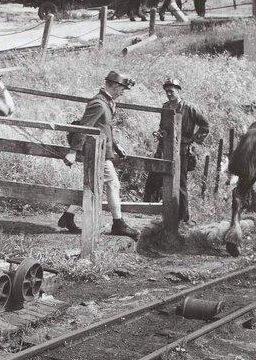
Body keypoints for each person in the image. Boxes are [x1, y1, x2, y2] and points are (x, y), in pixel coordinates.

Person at [58, 71, 139, 241]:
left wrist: (116, 145)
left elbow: (104, 127)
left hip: (103, 150)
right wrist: (72, 152)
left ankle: (68, 216)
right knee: (113, 184)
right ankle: (118, 223)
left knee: (93, 185)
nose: (122, 93)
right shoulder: (98, 103)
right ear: (116, 86)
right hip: (95, 152)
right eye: (122, 89)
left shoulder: (108, 102)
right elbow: (85, 127)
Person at [142, 78, 209, 223]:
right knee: (156, 179)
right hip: (164, 149)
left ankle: (183, 218)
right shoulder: (165, 107)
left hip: (182, 151)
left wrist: (192, 140)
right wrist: (159, 133)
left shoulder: (190, 108)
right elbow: (162, 127)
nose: (169, 94)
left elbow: (205, 126)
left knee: (180, 184)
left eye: (171, 91)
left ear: (178, 91)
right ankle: (159, 214)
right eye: (166, 91)